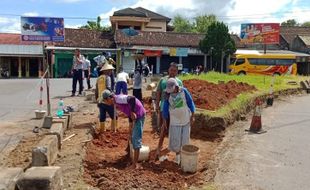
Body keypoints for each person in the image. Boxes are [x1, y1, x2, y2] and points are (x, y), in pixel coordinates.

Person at [101, 89, 146, 169]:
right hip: (135, 116)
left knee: (136, 138)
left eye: (105, 101)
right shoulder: (115, 102)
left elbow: (132, 98)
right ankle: (131, 158)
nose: (106, 103)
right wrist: (131, 123)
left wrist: (132, 112)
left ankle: (135, 165)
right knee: (131, 136)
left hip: (139, 115)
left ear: (108, 98)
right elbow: (128, 108)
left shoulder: (118, 99)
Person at [162, 78, 195, 164]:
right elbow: (165, 108)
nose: (171, 92)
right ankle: (177, 156)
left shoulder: (184, 91)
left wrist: (193, 115)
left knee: (185, 140)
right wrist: (165, 120)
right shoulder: (167, 95)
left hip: (185, 119)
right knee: (176, 139)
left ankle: (183, 158)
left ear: (176, 86)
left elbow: (190, 102)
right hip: (175, 120)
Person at [156, 63, 183, 156]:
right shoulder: (163, 80)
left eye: (175, 70)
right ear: (168, 70)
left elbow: (181, 96)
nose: (172, 72)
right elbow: (158, 92)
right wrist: (157, 105)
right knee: (164, 127)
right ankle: (159, 147)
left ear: (177, 72)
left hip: (175, 108)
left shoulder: (179, 82)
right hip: (164, 106)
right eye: (171, 70)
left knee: (175, 127)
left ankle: (176, 148)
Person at [95, 63, 117, 133]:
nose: (111, 72)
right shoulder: (107, 77)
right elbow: (108, 88)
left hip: (100, 100)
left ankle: (102, 131)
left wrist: (97, 100)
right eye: (110, 70)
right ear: (106, 71)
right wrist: (112, 96)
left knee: (102, 116)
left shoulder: (98, 79)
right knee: (114, 116)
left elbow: (96, 90)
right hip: (107, 100)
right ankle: (113, 130)